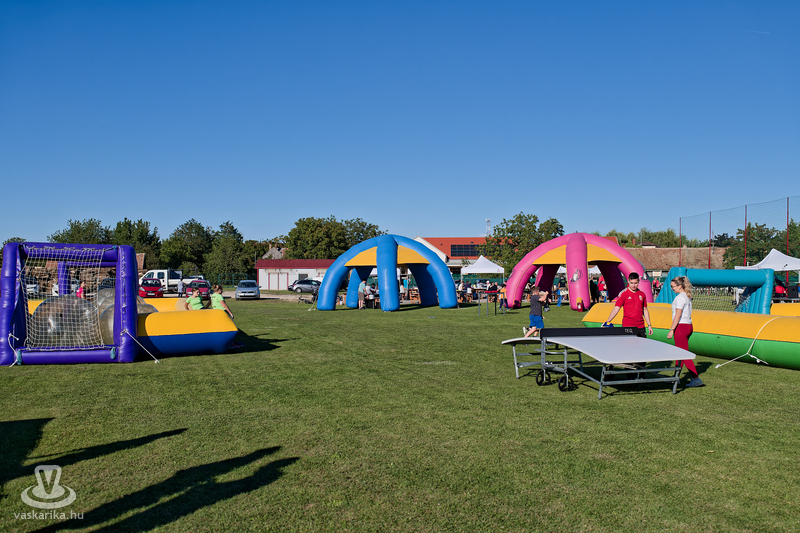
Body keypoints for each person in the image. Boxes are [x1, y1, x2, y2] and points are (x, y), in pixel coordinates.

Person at [667, 276, 704, 387]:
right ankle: (676, 377)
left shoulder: (680, 298)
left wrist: (672, 329)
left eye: (673, 286)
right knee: (680, 353)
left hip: (681, 327)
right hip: (688, 325)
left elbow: (678, 315)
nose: (672, 289)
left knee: (684, 355)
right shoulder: (687, 296)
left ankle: (696, 379)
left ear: (680, 286)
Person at [603, 272, 653, 338]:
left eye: (635, 283)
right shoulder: (623, 294)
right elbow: (616, 308)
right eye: (631, 283)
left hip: (640, 327)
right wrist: (608, 320)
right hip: (628, 326)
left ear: (638, 282)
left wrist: (649, 325)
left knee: (642, 344)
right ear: (628, 281)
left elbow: (645, 310)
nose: (633, 285)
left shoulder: (642, 294)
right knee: (628, 344)